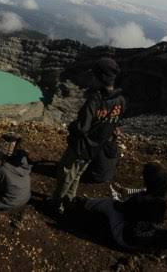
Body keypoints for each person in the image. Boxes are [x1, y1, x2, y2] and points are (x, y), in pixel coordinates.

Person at [52, 57, 127, 215]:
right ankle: (69, 200)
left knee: (66, 173)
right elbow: (114, 124)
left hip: (81, 145)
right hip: (95, 147)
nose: (92, 78)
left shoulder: (95, 99)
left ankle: (56, 205)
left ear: (100, 77)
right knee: (77, 174)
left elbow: (82, 127)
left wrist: (72, 126)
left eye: (94, 75)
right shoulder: (120, 100)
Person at [80, 162, 167, 250]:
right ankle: (123, 193)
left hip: (127, 240)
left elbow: (119, 207)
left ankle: (83, 203)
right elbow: (145, 192)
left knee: (109, 203)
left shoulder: (138, 201)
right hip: (149, 240)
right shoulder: (161, 201)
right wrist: (128, 192)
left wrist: (116, 198)